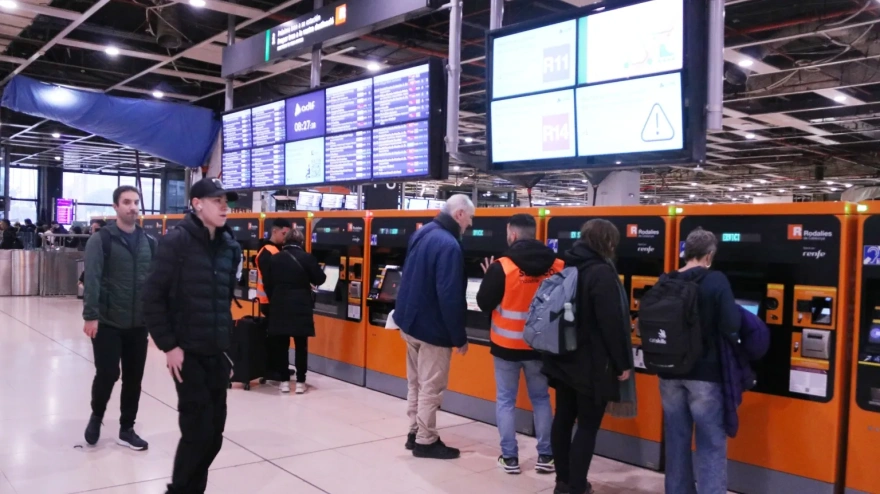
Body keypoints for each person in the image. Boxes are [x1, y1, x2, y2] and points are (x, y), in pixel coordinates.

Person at [142, 178, 242, 494]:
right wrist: (169, 345)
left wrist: (226, 346)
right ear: (197, 204)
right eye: (217, 200)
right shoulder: (177, 242)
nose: (225, 206)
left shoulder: (230, 247)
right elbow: (152, 297)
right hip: (187, 353)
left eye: (226, 200)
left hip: (216, 352)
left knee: (214, 436)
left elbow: (222, 301)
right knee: (197, 431)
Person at [542, 219, 634, 494]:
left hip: (561, 359)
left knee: (563, 419)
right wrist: (622, 364)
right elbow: (612, 324)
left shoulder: (566, 266)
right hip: (591, 365)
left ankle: (562, 481)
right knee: (588, 426)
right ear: (607, 243)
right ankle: (577, 485)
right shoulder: (602, 274)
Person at [476, 214, 563, 475]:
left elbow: (483, 303)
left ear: (512, 234)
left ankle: (510, 458)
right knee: (541, 399)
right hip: (541, 347)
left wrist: (487, 277)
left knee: (505, 400)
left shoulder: (501, 266)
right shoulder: (558, 265)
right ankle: (546, 456)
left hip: (505, 346)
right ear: (534, 233)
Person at [659, 228, 740, 494]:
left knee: (676, 439)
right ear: (709, 255)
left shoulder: (666, 279)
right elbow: (731, 324)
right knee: (711, 442)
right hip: (705, 373)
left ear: (686, 252)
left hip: (669, 372)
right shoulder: (716, 280)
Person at [394, 194, 474, 460]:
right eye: (470, 218)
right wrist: (458, 336)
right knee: (431, 386)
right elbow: (449, 295)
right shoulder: (449, 245)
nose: (470, 225)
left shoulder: (424, 232)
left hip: (410, 322)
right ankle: (426, 441)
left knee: (415, 382)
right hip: (432, 330)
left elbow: (407, 274)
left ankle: (413, 431)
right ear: (460, 214)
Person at [82, 185, 157, 450]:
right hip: (108, 322)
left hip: (138, 324)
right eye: (127, 202)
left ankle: (127, 428)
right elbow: (91, 278)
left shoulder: (150, 243)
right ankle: (97, 415)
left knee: (134, 378)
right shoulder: (101, 240)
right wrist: (91, 316)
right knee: (108, 373)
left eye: (136, 202)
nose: (133, 207)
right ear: (115, 206)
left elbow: (155, 284)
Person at [263, 227, 326, 394]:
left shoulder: (274, 259)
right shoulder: (307, 258)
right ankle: (300, 382)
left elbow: (267, 283)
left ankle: (284, 381)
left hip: (279, 306)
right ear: (301, 242)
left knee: (281, 345)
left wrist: (275, 298)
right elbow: (321, 278)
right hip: (301, 307)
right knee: (301, 346)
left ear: (285, 241)